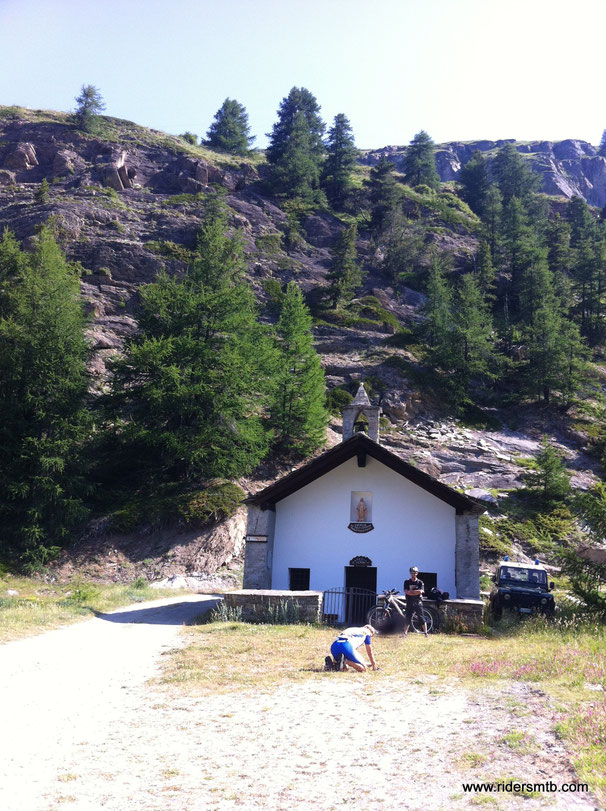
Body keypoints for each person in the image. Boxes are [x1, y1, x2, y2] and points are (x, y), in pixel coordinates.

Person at [403, 566, 428, 637]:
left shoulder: (420, 582)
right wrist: (416, 592)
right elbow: (406, 592)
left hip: (418, 602)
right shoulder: (407, 582)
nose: (413, 574)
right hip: (409, 602)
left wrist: (411, 591)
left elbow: (422, 591)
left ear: (417, 573)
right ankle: (405, 633)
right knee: (407, 617)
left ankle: (426, 633)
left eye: (414, 573)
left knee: (421, 618)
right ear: (410, 573)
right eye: (412, 573)